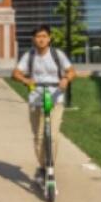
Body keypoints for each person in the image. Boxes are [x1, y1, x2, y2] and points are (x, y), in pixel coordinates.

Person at [12, 25, 75, 188]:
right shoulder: (29, 55)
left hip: (54, 98)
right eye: (38, 36)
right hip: (36, 99)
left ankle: (50, 167)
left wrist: (66, 79)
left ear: (49, 38)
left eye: (44, 36)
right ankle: (42, 167)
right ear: (34, 39)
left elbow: (71, 71)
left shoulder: (57, 54)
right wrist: (26, 80)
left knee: (52, 136)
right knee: (39, 136)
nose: (41, 39)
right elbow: (16, 73)